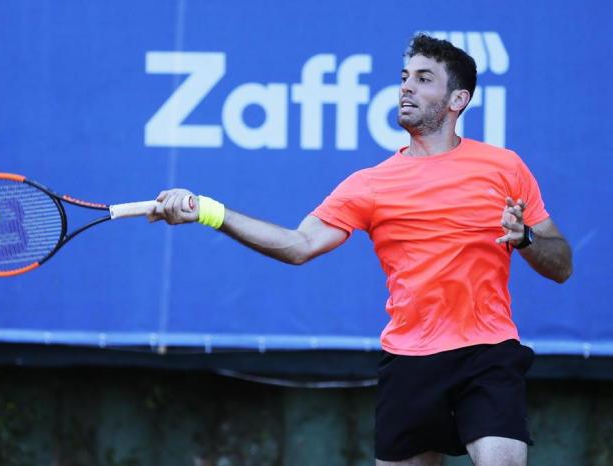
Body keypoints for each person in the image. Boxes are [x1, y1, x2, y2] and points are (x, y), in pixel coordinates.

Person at [147, 34, 573, 466]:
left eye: (424, 79)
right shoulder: (369, 185)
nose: (406, 87)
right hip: (409, 363)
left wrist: (527, 239)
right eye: (404, 77)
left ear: (457, 99)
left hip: (487, 353)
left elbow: (562, 265)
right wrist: (209, 211)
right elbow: (299, 245)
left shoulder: (504, 168)